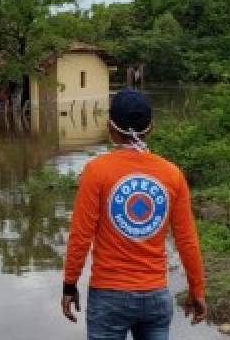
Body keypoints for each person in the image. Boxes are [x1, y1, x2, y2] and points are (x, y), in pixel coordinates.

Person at [61, 89, 208, 339]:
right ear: (151, 128)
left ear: (110, 127)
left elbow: (81, 235)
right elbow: (187, 240)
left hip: (108, 297)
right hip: (156, 297)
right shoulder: (172, 174)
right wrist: (197, 290)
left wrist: (69, 285)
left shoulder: (96, 171)